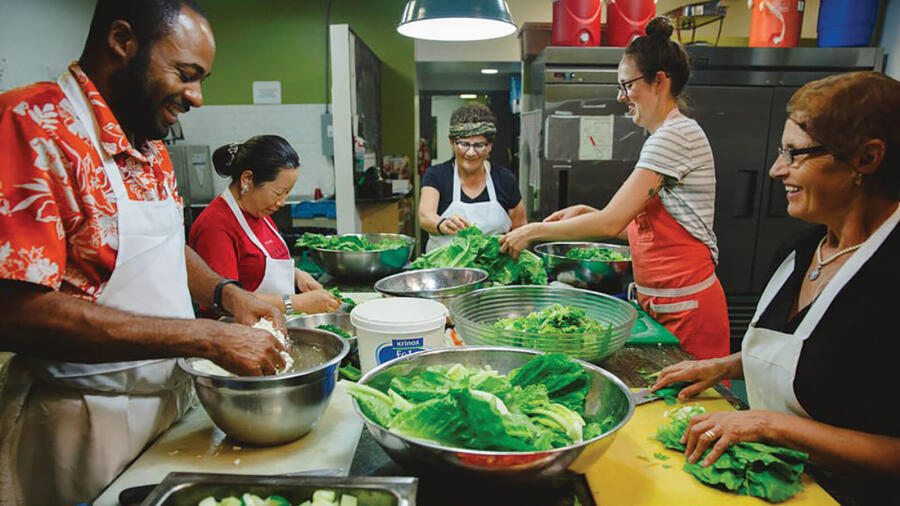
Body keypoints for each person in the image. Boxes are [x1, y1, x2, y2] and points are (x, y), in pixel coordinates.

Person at [0, 1, 289, 504]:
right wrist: (204, 337)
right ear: (121, 41)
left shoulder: (148, 143)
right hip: (80, 425)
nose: (197, 96)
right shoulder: (33, 124)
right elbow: (15, 312)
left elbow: (164, 249)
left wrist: (227, 295)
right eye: (186, 73)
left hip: (167, 412)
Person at [651, 71, 900, 505]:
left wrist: (771, 426)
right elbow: (821, 359)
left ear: (867, 159)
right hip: (769, 479)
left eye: (795, 154)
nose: (775, 169)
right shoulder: (801, 249)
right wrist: (725, 366)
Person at [500, 17, 728, 360]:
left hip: (688, 307)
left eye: (627, 85)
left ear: (659, 81)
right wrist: (585, 212)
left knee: (696, 408)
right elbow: (633, 229)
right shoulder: (664, 136)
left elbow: (609, 224)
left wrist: (533, 231)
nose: (621, 97)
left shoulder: (674, 137)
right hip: (665, 303)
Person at [189, 135, 340, 314]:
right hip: (238, 335)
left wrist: (297, 275)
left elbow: (255, 267)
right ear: (247, 180)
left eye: (287, 193)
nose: (282, 202)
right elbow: (226, 302)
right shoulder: (214, 227)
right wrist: (295, 303)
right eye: (278, 192)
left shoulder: (259, 212)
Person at [419, 103, 527, 251]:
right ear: (452, 142)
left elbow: (520, 227)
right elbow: (425, 216)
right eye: (464, 144)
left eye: (479, 145)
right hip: (446, 271)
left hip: (494, 270)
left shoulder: (505, 179)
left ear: (489, 145)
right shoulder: (436, 175)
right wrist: (442, 224)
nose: (470, 153)